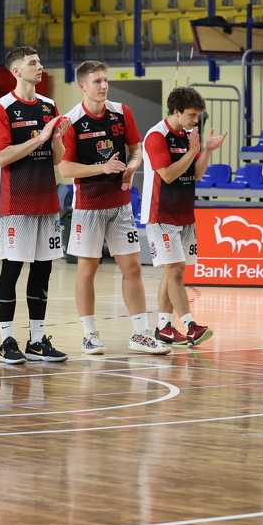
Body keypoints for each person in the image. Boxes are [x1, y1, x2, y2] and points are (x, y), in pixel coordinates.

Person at [58, 60, 168, 356]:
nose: (104, 85)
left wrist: (131, 167)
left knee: (132, 268)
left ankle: (141, 333)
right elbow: (65, 168)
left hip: (120, 204)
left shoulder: (121, 112)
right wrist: (102, 168)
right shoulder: (71, 121)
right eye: (97, 81)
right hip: (88, 206)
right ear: (83, 86)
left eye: (106, 80)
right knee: (87, 270)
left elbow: (136, 148)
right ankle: (90, 335)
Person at [0, 47, 70, 365]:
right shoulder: (2, 107)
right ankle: (6, 340)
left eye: (40, 61)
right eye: (33, 63)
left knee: (43, 270)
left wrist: (56, 138)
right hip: (16, 201)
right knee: (12, 269)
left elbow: (58, 159)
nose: (40, 66)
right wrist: (40, 138)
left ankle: (36, 340)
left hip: (46, 200)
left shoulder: (49, 105)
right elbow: (3, 157)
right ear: (16, 71)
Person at [142, 87, 225, 348]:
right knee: (175, 270)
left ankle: (164, 328)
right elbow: (167, 175)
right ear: (176, 111)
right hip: (161, 213)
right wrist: (191, 152)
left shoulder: (189, 135)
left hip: (185, 213)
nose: (196, 120)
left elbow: (195, 174)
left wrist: (206, 151)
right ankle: (190, 325)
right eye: (191, 115)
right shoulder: (156, 136)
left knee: (173, 272)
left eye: (198, 115)